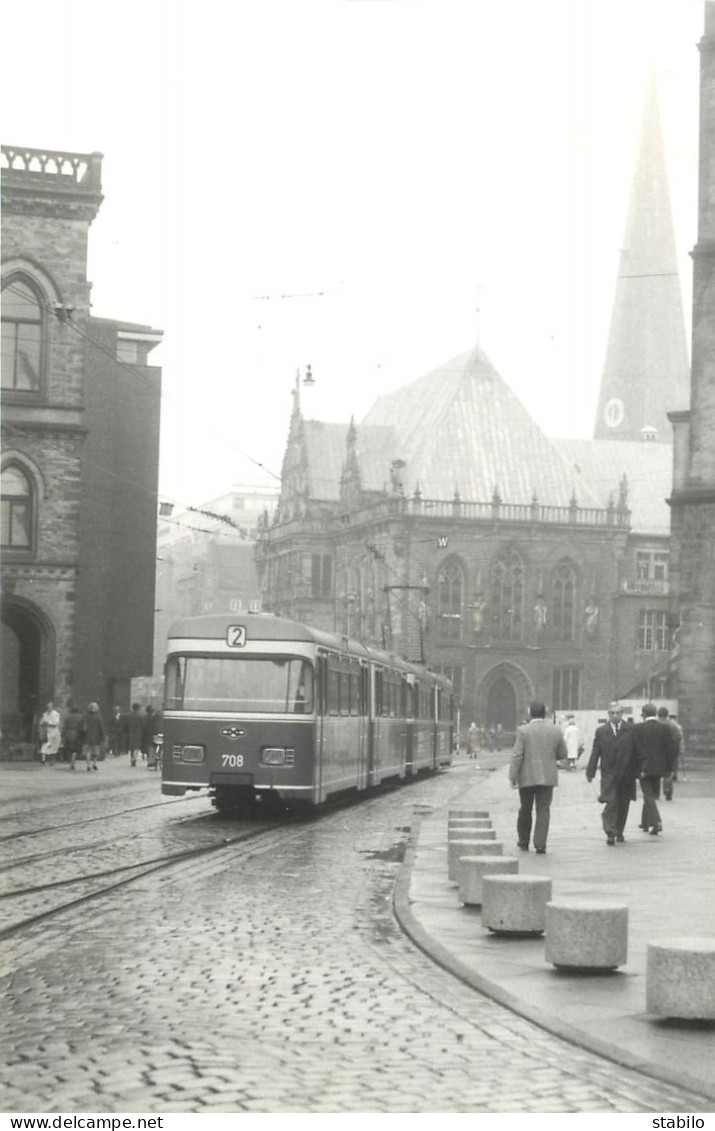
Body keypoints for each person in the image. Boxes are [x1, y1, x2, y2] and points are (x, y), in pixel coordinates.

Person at [509, 701, 567, 854]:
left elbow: (517, 754)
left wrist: (513, 775)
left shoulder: (523, 731)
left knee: (525, 808)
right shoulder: (555, 730)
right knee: (543, 810)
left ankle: (523, 841)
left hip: (527, 776)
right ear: (545, 713)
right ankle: (540, 844)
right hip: (547, 776)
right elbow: (563, 754)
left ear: (530, 713)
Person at [586, 702, 637, 844]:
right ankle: (610, 831)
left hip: (626, 773)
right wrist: (590, 771)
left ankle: (619, 830)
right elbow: (596, 752)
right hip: (609, 773)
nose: (615, 716)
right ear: (608, 714)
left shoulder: (631, 729)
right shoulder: (601, 731)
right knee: (611, 802)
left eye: (618, 713)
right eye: (612, 713)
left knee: (623, 803)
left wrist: (638, 771)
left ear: (622, 714)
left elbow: (637, 751)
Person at [631, 702, 678, 836]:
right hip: (660, 768)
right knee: (652, 795)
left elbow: (634, 750)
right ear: (655, 713)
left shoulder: (637, 728)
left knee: (648, 795)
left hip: (643, 768)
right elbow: (670, 749)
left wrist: (634, 768)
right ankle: (645, 823)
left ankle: (656, 821)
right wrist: (669, 768)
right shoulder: (665, 728)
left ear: (643, 714)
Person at [656, 706, 683, 800]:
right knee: (667, 773)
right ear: (667, 715)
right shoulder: (672, 725)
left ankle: (656, 793)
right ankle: (668, 792)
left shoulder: (655, 724)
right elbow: (678, 738)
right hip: (669, 753)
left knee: (655, 774)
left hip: (656, 752)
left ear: (658, 714)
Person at [82, 702, 106, 771]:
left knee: (87, 751)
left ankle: (88, 765)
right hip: (96, 737)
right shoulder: (98, 718)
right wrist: (103, 737)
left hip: (87, 736)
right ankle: (94, 764)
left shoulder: (85, 717)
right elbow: (101, 728)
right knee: (96, 752)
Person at [62, 701, 84, 770]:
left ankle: (71, 760)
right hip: (77, 733)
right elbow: (82, 726)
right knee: (76, 747)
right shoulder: (81, 717)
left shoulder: (68, 717)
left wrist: (63, 735)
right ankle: (73, 760)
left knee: (69, 747)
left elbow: (65, 727)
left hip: (69, 733)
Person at [38, 701, 61, 765]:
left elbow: (56, 723)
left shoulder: (56, 714)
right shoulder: (45, 714)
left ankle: (52, 761)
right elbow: (41, 722)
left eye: (50, 707)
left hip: (54, 731)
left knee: (53, 746)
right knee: (45, 745)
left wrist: (49, 723)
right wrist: (42, 723)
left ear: (52, 707)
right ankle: (43, 759)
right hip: (47, 731)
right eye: (48, 707)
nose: (48, 708)